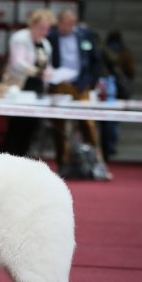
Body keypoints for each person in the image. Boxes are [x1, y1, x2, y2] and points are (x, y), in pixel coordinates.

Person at [47, 9, 110, 179]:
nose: (66, 27)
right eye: (63, 23)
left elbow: (96, 59)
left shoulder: (85, 35)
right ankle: (63, 165)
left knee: (88, 124)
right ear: (58, 22)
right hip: (59, 85)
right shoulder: (51, 36)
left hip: (81, 85)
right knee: (59, 126)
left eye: (70, 24)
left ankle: (98, 164)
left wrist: (90, 81)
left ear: (75, 23)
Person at [2, 8, 55, 157]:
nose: (44, 32)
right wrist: (36, 71)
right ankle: (11, 156)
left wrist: (50, 72)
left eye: (47, 29)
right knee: (17, 125)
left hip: (37, 88)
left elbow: (47, 64)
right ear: (32, 24)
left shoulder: (45, 44)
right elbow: (17, 62)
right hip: (20, 86)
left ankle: (24, 156)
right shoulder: (20, 38)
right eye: (42, 28)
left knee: (32, 126)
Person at [98, 30, 135, 162]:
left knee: (107, 122)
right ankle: (110, 145)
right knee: (113, 122)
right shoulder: (125, 53)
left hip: (111, 91)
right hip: (115, 92)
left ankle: (106, 146)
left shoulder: (104, 52)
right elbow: (131, 72)